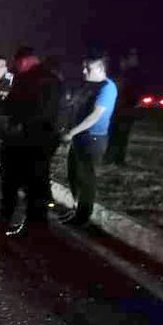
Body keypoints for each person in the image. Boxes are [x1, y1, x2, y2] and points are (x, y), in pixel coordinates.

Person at [0, 46, 62, 237]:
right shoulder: (53, 79)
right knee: (36, 187)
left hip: (23, 142)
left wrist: (3, 108)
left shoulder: (29, 79)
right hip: (42, 143)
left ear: (24, 61)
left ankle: (5, 225)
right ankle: (36, 228)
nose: (16, 68)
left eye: (17, 64)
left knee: (12, 185)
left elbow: (20, 108)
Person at [59, 54, 118, 225]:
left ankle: (83, 216)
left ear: (101, 69)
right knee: (74, 175)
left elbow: (95, 116)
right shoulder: (89, 86)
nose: (83, 71)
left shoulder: (107, 88)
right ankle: (76, 209)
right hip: (80, 137)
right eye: (84, 67)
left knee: (86, 179)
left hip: (93, 139)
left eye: (88, 68)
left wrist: (71, 133)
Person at [104, 49, 141, 165]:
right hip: (121, 110)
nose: (136, 59)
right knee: (117, 135)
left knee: (119, 136)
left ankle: (116, 158)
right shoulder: (125, 75)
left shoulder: (130, 75)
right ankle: (113, 158)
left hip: (123, 110)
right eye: (133, 57)